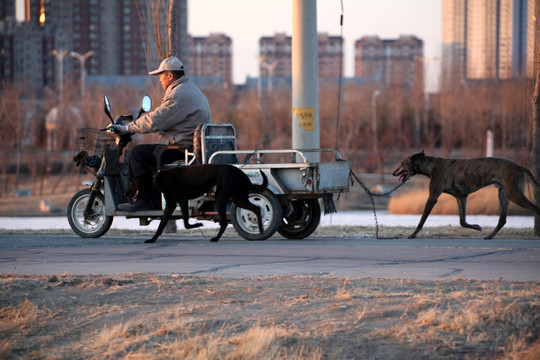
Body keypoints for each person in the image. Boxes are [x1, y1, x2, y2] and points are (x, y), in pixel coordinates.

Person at [113, 56, 212, 211]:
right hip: (187, 147)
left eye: (161, 76)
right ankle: (154, 196)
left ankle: (147, 200)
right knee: (148, 152)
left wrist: (128, 128)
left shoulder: (178, 95)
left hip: (181, 150)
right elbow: (165, 118)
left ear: (170, 76)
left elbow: (156, 119)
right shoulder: (191, 89)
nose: (159, 81)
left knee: (138, 154)